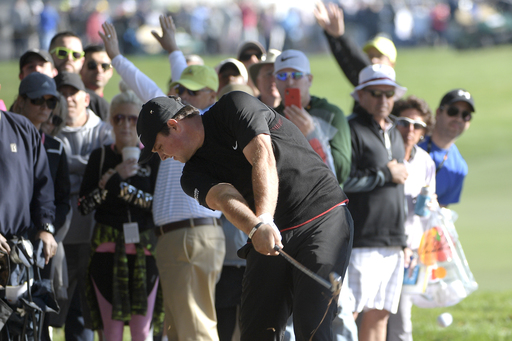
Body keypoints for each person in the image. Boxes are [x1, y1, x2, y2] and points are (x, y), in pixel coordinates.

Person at [136, 91, 353, 341]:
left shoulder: (233, 105)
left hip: (321, 217)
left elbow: (262, 154)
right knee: (255, 332)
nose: (162, 157)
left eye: (159, 147)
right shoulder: (189, 176)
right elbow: (225, 198)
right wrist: (255, 227)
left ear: (173, 126)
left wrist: (264, 219)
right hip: (268, 236)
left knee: (311, 327)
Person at [100, 20, 225, 340]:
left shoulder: (200, 123)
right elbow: (181, 86)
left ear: (211, 95)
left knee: (194, 326)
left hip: (190, 236)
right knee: (178, 327)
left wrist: (116, 59)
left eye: (189, 92)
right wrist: (173, 51)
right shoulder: (191, 123)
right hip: (183, 236)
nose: (180, 94)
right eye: (179, 89)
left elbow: (149, 91)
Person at [77, 87, 162, 341]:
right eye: (119, 118)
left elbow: (155, 206)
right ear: (110, 121)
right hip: (105, 249)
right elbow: (84, 205)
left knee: (141, 331)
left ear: (141, 123)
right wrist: (114, 178)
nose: (125, 124)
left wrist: (116, 184)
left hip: (145, 250)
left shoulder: (153, 157)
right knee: (111, 331)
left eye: (133, 118)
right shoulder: (100, 156)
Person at [343, 64, 408, 341]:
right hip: (362, 240)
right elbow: (342, 181)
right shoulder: (350, 129)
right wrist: (384, 175)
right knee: (348, 314)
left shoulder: (395, 130)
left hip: (392, 241)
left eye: (388, 94)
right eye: (375, 93)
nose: (383, 100)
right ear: (360, 95)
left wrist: (403, 240)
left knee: (379, 316)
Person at [52, 71, 113, 341]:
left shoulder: (103, 131)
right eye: (62, 94)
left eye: (73, 93)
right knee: (53, 312)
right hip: (59, 240)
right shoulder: (47, 134)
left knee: (92, 316)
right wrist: (88, 165)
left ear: (86, 98)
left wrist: (69, 164)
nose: (68, 99)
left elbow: (106, 172)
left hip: (94, 237)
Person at [387, 96, 436, 341]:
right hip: (380, 246)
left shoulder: (426, 162)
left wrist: (420, 251)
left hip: (411, 254)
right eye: (404, 122)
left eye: (418, 126)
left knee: (401, 324)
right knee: (370, 317)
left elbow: (425, 214)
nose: (410, 130)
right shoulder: (384, 156)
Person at [273, 49, 351, 183]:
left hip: (324, 197)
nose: (290, 82)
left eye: (297, 75)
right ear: (275, 82)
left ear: (309, 80)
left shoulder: (331, 114)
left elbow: (341, 171)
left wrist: (312, 134)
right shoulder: (271, 117)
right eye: (282, 76)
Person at [314, 2, 397, 87]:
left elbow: (361, 63)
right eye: (370, 56)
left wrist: (340, 36)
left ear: (391, 63)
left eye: (379, 56)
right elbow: (344, 61)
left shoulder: (393, 94)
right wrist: (330, 33)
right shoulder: (364, 88)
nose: (373, 60)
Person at [418, 89, 475, 207]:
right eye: (453, 111)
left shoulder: (459, 168)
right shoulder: (413, 138)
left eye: (465, 115)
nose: (459, 118)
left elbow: (442, 210)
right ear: (438, 112)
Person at [50, 31, 109, 121]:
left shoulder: (97, 103)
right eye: (62, 53)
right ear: (50, 56)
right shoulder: (36, 98)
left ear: (82, 61)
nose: (69, 58)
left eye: (76, 55)